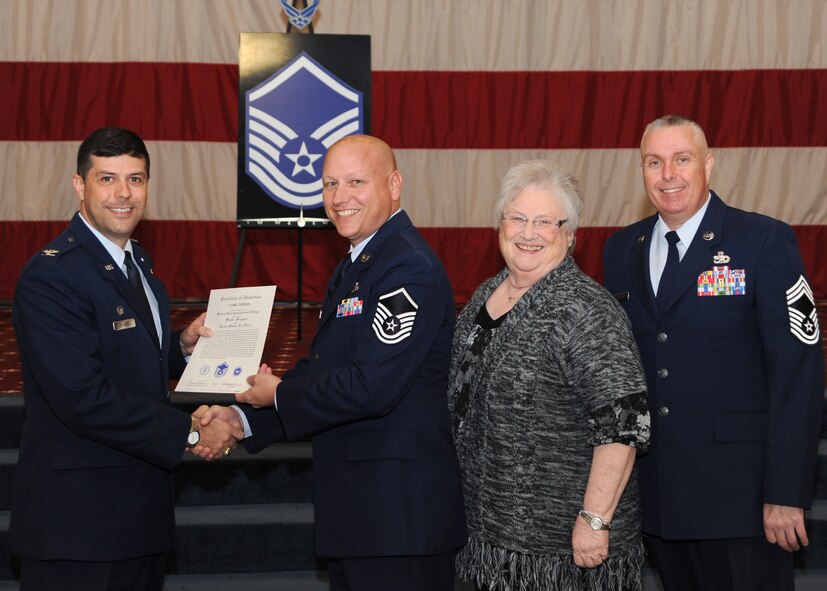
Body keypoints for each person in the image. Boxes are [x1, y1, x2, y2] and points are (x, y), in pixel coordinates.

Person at [196, 134, 467, 591]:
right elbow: (324, 372)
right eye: (329, 184)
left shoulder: (408, 268)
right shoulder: (358, 264)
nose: (340, 198)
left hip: (398, 518)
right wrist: (243, 419)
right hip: (362, 514)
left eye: (356, 181)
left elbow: (371, 387)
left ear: (395, 184)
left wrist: (279, 393)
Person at [11, 127, 243, 591]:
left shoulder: (139, 265)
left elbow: (125, 356)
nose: (123, 194)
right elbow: (83, 396)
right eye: (107, 179)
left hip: (139, 515)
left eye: (135, 180)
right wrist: (193, 430)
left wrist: (178, 348)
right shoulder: (52, 276)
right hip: (78, 525)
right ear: (80, 186)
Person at [603, 114, 824, 591]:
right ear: (641, 170)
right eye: (654, 162)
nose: (669, 175)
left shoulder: (763, 241)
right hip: (660, 495)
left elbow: (797, 374)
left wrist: (786, 492)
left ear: (709, 164)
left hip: (743, 500)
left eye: (682, 159)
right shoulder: (621, 250)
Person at [449, 159, 650, 590]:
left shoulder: (587, 310)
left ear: (570, 234)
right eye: (517, 218)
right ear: (499, 225)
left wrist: (594, 521)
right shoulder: (485, 295)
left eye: (545, 221)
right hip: (491, 538)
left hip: (564, 551)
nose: (528, 232)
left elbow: (624, 426)